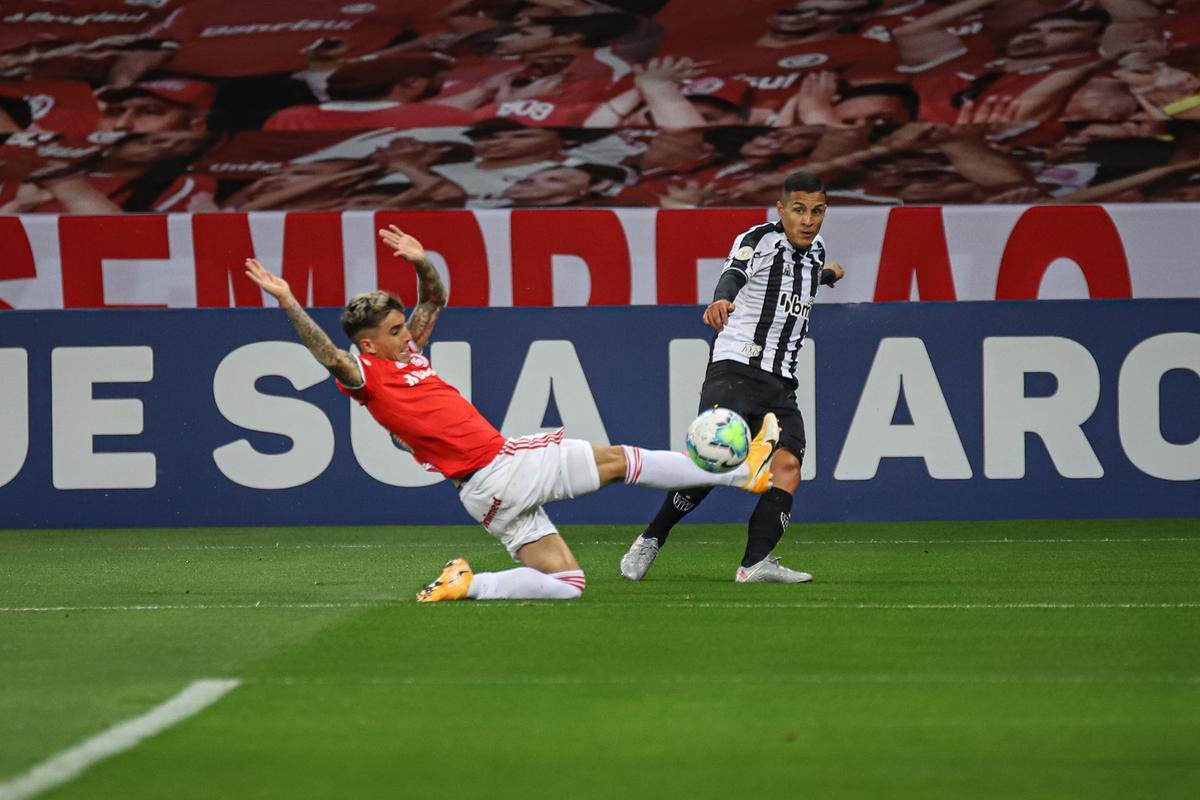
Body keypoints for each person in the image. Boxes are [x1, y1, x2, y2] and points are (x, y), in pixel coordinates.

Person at [243, 225, 781, 602]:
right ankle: (741, 472)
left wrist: (420, 260)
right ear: (368, 343)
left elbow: (435, 298)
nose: (408, 332)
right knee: (619, 460)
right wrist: (289, 300)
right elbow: (328, 355)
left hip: (483, 495)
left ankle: (468, 584)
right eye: (394, 329)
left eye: (404, 323)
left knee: (566, 585)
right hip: (500, 467)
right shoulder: (366, 377)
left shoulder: (406, 353)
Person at [620, 170, 844, 584]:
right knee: (717, 463)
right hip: (736, 368)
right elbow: (736, 274)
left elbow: (802, 282)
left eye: (816, 211)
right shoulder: (758, 240)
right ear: (781, 209)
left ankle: (754, 564)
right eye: (798, 210)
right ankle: (652, 537)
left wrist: (828, 275)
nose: (808, 220)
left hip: (781, 382)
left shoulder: (815, 252)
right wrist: (722, 296)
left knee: (788, 467)